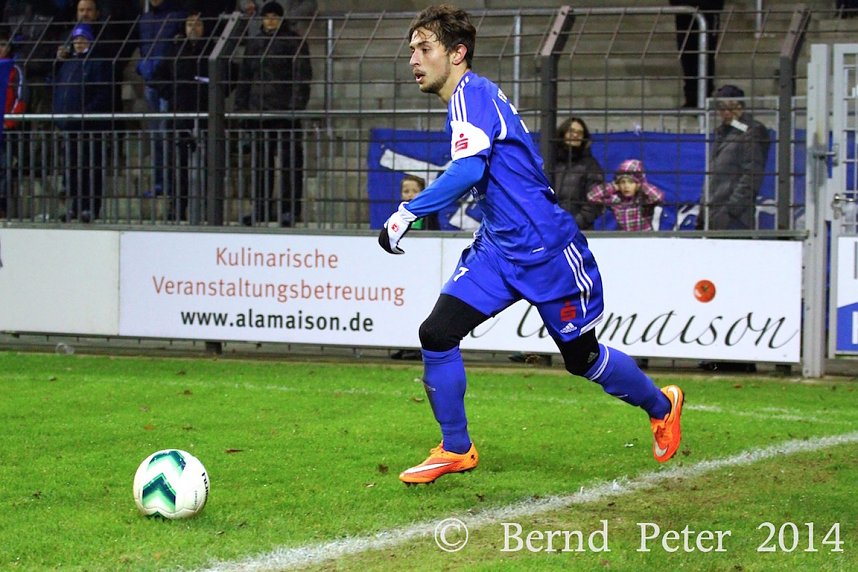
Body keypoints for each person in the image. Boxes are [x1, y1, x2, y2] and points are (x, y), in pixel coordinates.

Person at [379, 4, 684, 485]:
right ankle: (456, 448)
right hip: (498, 249)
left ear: (457, 54)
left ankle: (662, 405)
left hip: (546, 249)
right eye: (411, 50)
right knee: (437, 334)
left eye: (424, 48)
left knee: (581, 359)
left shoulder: (470, 95)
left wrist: (406, 212)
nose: (414, 59)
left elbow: (468, 171)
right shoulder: (467, 100)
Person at [235, 1, 312, 227]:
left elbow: (302, 77)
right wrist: (242, 109)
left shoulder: (293, 41)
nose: (270, 20)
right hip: (259, 114)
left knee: (290, 164)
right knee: (261, 165)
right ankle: (261, 208)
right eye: (266, 16)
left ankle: (290, 209)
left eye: (274, 16)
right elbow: (245, 79)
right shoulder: (254, 43)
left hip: (285, 114)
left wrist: (295, 107)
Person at [152, 10, 216, 221]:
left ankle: (209, 208)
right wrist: (172, 93)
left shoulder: (213, 50)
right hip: (179, 113)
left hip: (207, 113)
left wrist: (215, 93)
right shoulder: (175, 50)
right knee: (177, 164)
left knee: (209, 165)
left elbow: (230, 75)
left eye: (198, 24)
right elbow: (156, 77)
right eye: (190, 24)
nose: (193, 28)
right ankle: (178, 207)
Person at [52, 22, 112, 222]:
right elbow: (53, 85)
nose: (78, 43)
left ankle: (90, 207)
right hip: (69, 126)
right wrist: (57, 63)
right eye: (76, 39)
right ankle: (75, 206)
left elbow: (104, 92)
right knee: (72, 169)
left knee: (90, 168)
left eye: (82, 39)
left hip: (89, 126)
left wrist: (86, 114)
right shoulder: (68, 63)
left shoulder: (98, 62)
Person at [698, 84, 770, 231]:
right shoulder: (723, 132)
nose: (726, 113)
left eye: (731, 107)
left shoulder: (751, 131)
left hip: (734, 217)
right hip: (713, 213)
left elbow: (751, 174)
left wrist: (731, 209)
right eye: (722, 108)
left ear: (741, 107)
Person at [136, 0, 187, 198]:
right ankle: (159, 183)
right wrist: (143, 66)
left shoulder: (177, 16)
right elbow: (144, 46)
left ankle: (171, 183)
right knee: (157, 135)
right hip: (150, 82)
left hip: (167, 82)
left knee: (167, 134)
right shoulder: (145, 19)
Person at [390, 174, 437, 361]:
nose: (409, 195)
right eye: (406, 191)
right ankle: (404, 344)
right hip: (404, 269)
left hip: (421, 268)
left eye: (414, 192)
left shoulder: (427, 213)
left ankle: (419, 347)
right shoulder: (398, 215)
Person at [553, 116, 605, 231]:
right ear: (563, 133)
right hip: (549, 228)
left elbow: (596, 201)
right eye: (571, 131)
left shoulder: (591, 165)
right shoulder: (550, 162)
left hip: (580, 231)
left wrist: (575, 224)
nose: (575, 135)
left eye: (580, 133)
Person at [669, 1, 723, 108]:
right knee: (687, 54)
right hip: (684, 10)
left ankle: (704, 97)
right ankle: (691, 98)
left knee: (706, 53)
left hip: (708, 9)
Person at [587, 159, 664, 231]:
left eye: (631, 182)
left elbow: (658, 197)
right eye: (622, 182)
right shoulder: (617, 200)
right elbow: (592, 196)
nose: (626, 186)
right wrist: (614, 186)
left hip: (646, 236)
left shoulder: (643, 198)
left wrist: (641, 185)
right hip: (626, 238)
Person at [0, 27, 27, 219]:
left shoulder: (15, 68)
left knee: (5, 168)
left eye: (2, 44)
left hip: (6, 129)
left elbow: (21, 97)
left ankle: (1, 206)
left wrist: (9, 122)